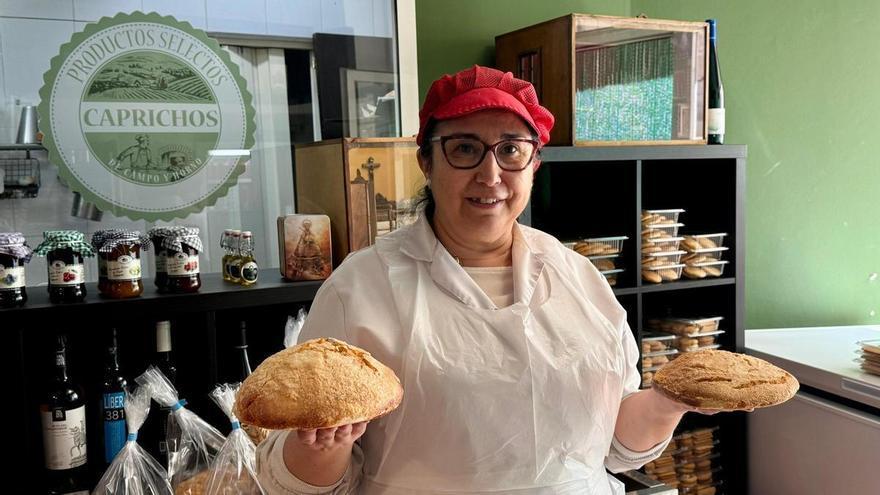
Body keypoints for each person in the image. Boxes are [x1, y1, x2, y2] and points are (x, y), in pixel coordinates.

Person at [256, 65, 711, 494]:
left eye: (511, 149)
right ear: (426, 162)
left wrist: (670, 401)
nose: (490, 174)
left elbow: (615, 448)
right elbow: (302, 479)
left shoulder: (576, 276)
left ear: (534, 165)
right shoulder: (360, 287)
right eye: (465, 148)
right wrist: (321, 446)